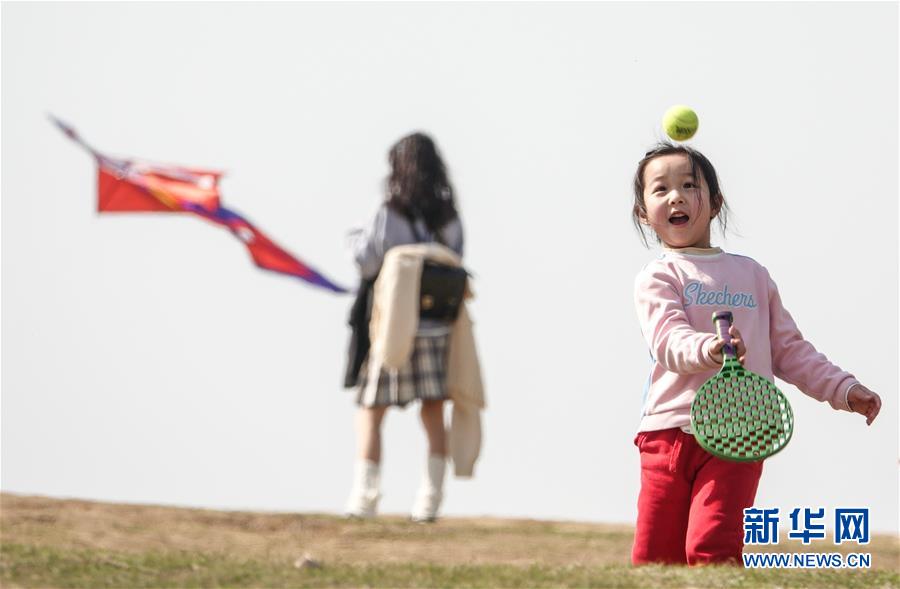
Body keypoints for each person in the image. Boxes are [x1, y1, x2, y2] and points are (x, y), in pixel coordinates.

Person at [630, 142, 882, 565]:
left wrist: (842, 388)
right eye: (661, 189)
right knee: (654, 559)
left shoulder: (753, 275)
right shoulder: (658, 276)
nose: (675, 197)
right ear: (643, 213)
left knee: (711, 547)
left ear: (715, 203)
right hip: (667, 433)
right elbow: (668, 341)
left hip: (740, 432)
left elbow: (790, 350)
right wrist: (708, 348)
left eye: (689, 185)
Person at [344, 132, 465, 522]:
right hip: (436, 327)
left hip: (394, 324)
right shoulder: (449, 216)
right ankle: (429, 503)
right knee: (433, 412)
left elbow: (367, 261)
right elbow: (457, 259)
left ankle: (364, 500)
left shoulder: (389, 209)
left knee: (371, 410)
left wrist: (355, 239)